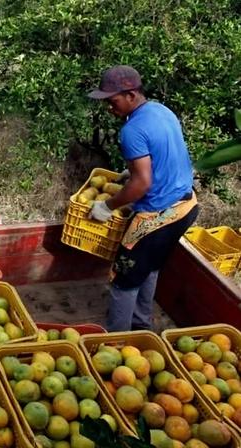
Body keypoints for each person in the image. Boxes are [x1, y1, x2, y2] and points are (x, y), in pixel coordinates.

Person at [87, 65, 199, 332]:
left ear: (131, 95)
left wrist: (106, 206)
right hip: (186, 207)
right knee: (148, 268)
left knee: (123, 278)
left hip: (157, 217)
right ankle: (141, 326)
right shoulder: (161, 110)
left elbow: (142, 184)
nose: (109, 108)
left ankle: (116, 343)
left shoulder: (132, 130)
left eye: (112, 101)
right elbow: (165, 151)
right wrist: (136, 169)